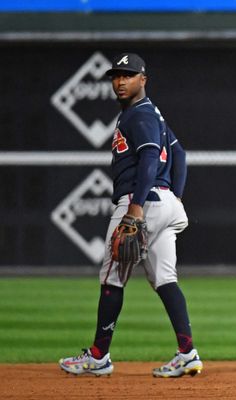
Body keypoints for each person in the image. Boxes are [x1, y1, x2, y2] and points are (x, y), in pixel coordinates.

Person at [59, 53, 202, 378]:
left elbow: (151, 156)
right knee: (166, 280)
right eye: (116, 76)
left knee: (111, 276)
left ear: (143, 80)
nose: (120, 81)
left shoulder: (138, 115)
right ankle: (187, 353)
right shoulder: (153, 114)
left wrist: (135, 209)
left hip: (140, 203)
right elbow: (178, 153)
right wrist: (175, 196)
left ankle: (97, 357)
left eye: (128, 75)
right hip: (163, 202)